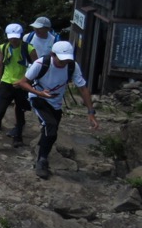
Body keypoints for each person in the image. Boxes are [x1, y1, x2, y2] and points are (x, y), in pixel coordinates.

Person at [15, 40, 99, 179]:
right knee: (51, 126)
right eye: (61, 59)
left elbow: (83, 88)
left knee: (50, 130)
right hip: (38, 98)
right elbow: (23, 82)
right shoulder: (41, 64)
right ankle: (42, 161)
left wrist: (90, 112)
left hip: (56, 102)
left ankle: (41, 149)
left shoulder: (72, 66)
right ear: (53, 55)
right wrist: (39, 93)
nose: (63, 63)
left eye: (66, 60)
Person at [0, 23, 38, 155]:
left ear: (20, 36)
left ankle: (18, 136)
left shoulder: (29, 48)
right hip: (6, 83)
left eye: (15, 37)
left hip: (22, 84)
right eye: (11, 37)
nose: (13, 40)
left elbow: (37, 67)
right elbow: (0, 65)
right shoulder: (4, 47)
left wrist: (27, 82)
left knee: (20, 111)